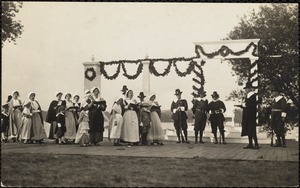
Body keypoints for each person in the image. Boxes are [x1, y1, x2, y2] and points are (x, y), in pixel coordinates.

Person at [240, 81, 259, 149]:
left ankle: (256, 144)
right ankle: (250, 143)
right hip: (247, 114)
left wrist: (244, 105)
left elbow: (251, 105)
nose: (246, 90)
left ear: (250, 89)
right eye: (246, 89)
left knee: (252, 129)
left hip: (251, 115)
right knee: (248, 129)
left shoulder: (253, 96)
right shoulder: (248, 96)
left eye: (247, 89)